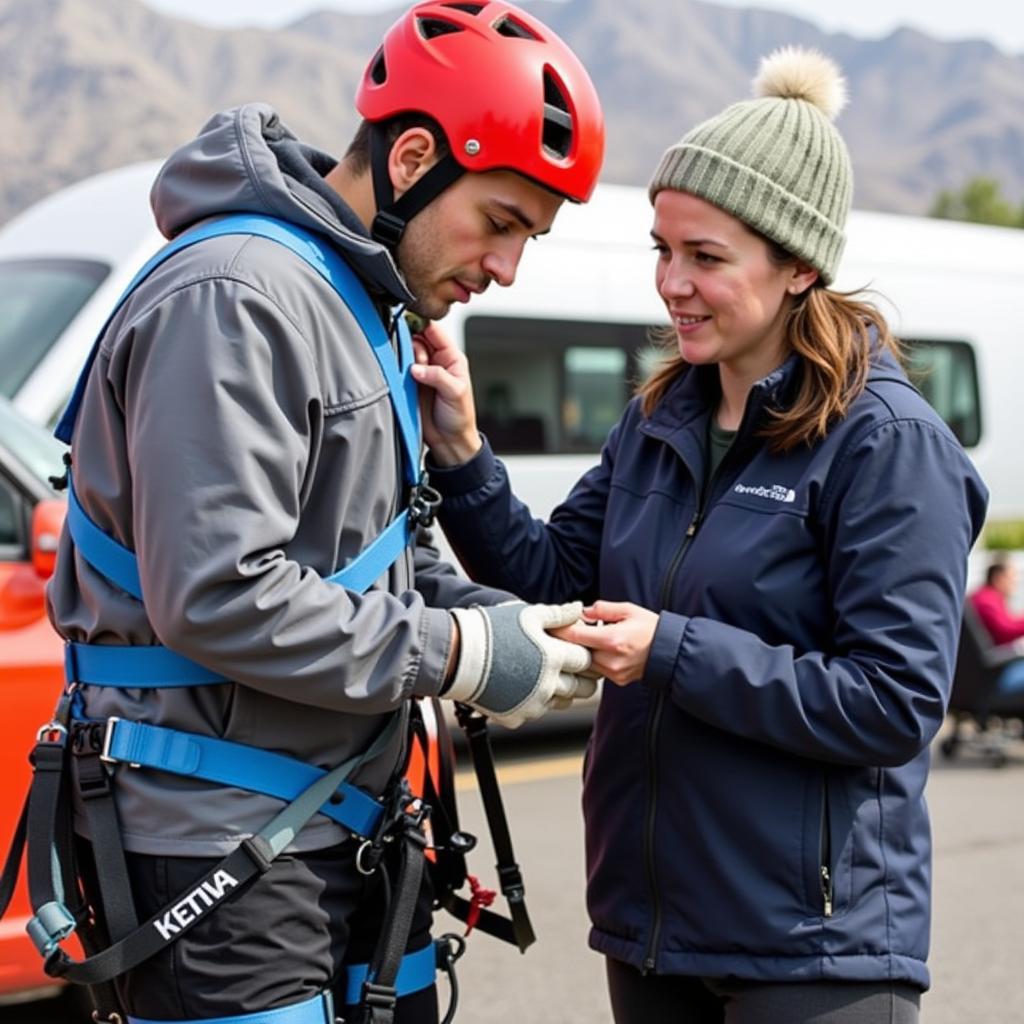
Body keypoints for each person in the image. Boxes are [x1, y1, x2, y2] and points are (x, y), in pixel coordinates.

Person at [37, 3, 604, 1023]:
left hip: (344, 821)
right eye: (502, 221)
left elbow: (384, 557)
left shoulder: (358, 302)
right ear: (416, 156)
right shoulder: (235, 296)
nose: (508, 268)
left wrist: (512, 626)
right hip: (212, 828)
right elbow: (217, 593)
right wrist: (458, 654)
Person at [411, 47, 988, 1023]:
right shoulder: (660, 415)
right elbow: (549, 573)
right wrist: (464, 454)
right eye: (661, 248)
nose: (670, 282)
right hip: (652, 927)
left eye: (705, 257)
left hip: (814, 950)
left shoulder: (887, 446)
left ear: (799, 263)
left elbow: (892, 702)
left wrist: (667, 650)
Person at [969, 558, 1024, 692]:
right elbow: (1005, 630)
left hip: (989, 671)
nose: (1015, 583)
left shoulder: (984, 597)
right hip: (993, 675)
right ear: (998, 578)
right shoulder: (987, 600)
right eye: (1011, 578)